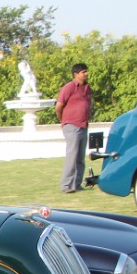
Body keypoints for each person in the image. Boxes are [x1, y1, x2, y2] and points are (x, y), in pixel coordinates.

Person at [55, 63, 92, 193]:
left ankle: (76, 184)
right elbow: (59, 106)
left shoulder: (87, 88)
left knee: (80, 157)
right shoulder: (69, 87)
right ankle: (66, 186)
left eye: (86, 71)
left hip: (83, 125)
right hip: (72, 125)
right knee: (72, 156)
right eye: (83, 72)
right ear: (76, 74)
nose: (86, 74)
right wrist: (64, 121)